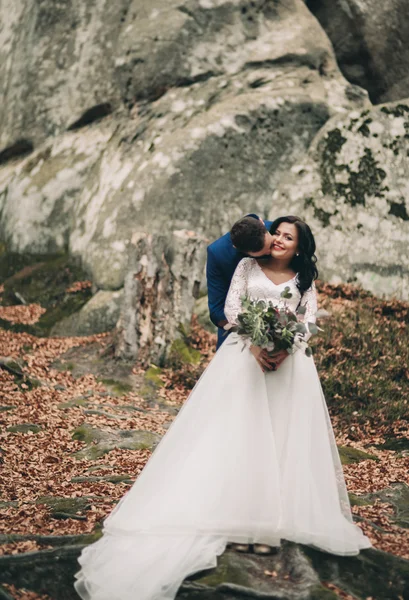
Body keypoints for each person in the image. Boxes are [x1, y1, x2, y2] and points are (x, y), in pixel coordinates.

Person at [74, 215, 372, 600]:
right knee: (242, 439)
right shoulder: (247, 265)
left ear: (299, 247)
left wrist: (286, 347)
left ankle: (270, 526)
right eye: (277, 233)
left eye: (288, 237)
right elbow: (231, 310)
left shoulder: (303, 279)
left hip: (289, 368)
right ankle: (239, 522)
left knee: (282, 439)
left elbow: (308, 319)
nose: (279, 240)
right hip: (244, 360)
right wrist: (254, 344)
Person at [206, 214, 273, 350]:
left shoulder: (280, 229)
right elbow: (216, 310)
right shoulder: (218, 253)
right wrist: (252, 333)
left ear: (261, 222)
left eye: (271, 245)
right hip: (239, 333)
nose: (273, 252)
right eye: (265, 253)